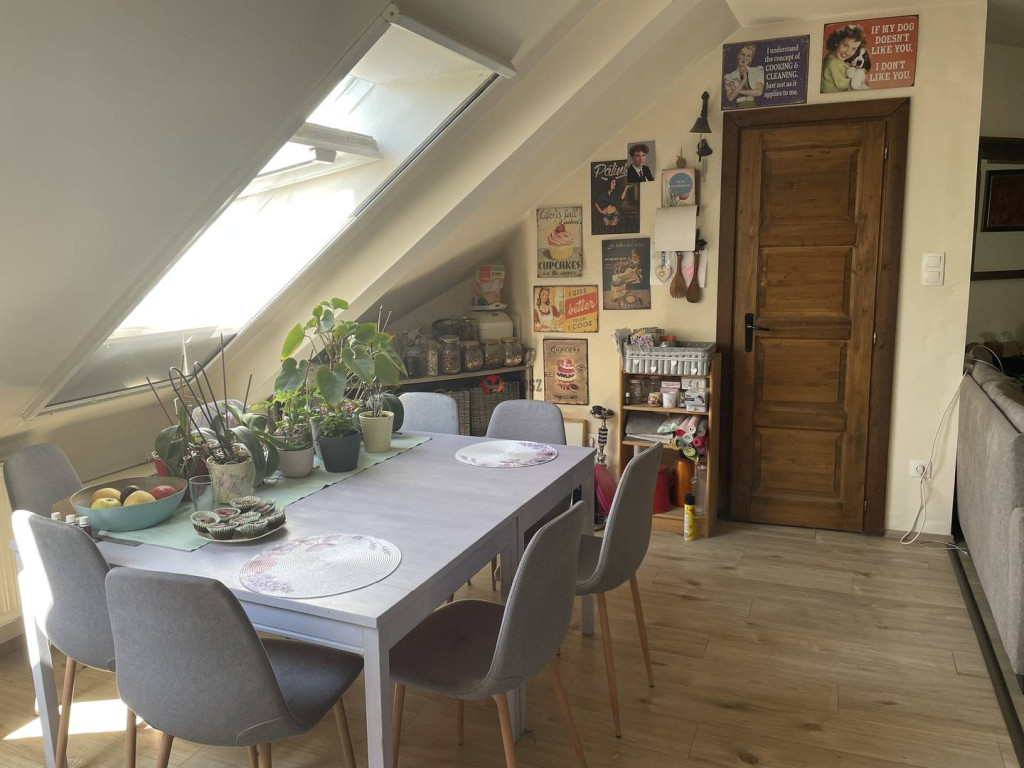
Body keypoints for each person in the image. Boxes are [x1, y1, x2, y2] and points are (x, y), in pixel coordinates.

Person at [821, 25, 866, 93]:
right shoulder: (833, 63)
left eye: (854, 49)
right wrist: (859, 80)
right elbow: (843, 85)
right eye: (845, 45)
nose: (848, 52)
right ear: (836, 42)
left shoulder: (833, 56)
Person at [723, 43, 764, 108]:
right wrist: (744, 80)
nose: (745, 58)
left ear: (751, 59)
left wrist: (736, 90)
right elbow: (730, 98)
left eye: (748, 56)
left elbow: (759, 92)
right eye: (742, 54)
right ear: (738, 55)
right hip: (738, 107)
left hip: (752, 105)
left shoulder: (758, 70)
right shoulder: (728, 77)